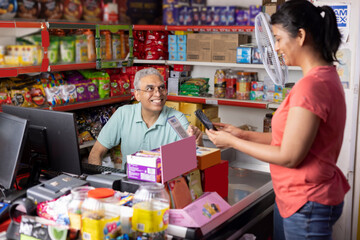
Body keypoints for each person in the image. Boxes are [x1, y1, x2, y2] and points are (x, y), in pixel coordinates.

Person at [206, 1, 350, 239]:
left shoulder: (310, 87)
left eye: (279, 39)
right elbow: (288, 139)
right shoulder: (325, 77)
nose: (276, 47)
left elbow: (290, 156)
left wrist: (232, 143)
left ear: (301, 36)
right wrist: (241, 134)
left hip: (306, 203)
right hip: (303, 199)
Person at [89, 67, 203, 169]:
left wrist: (197, 143)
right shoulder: (123, 114)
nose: (158, 94)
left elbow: (194, 157)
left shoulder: (176, 119)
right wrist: (98, 183)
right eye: (150, 89)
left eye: (161, 88)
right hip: (129, 183)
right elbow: (96, 152)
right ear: (137, 95)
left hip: (163, 186)